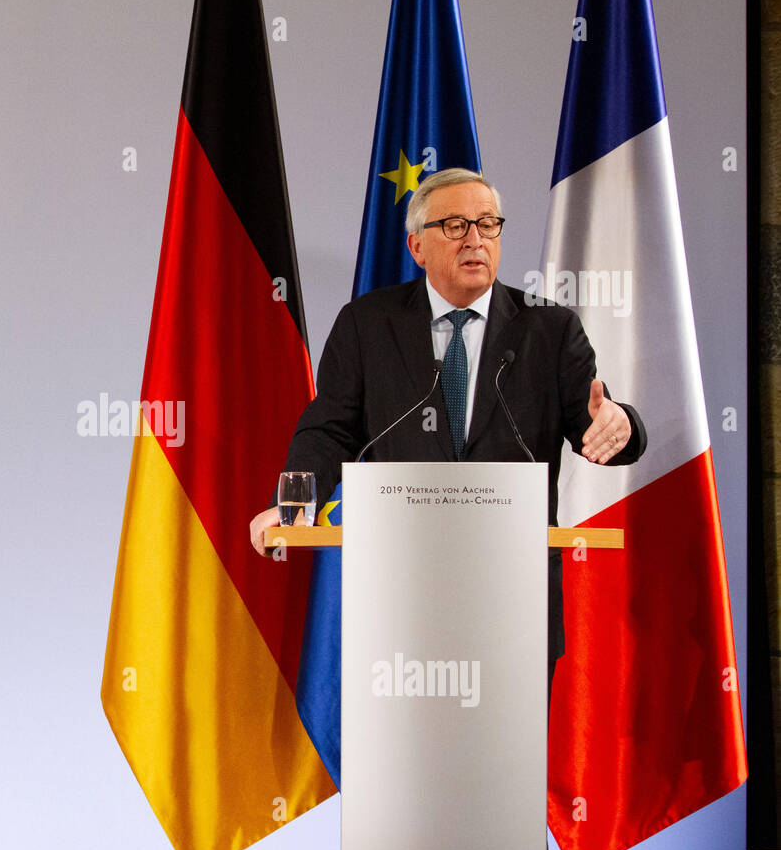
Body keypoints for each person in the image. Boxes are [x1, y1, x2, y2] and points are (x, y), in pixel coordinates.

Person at [248, 167, 647, 684]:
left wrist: (621, 424)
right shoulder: (367, 326)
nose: (476, 239)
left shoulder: (549, 330)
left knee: (505, 767)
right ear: (417, 246)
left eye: (488, 224)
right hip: (398, 602)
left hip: (513, 605)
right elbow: (328, 431)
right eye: (456, 226)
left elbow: (598, 425)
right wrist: (292, 506)